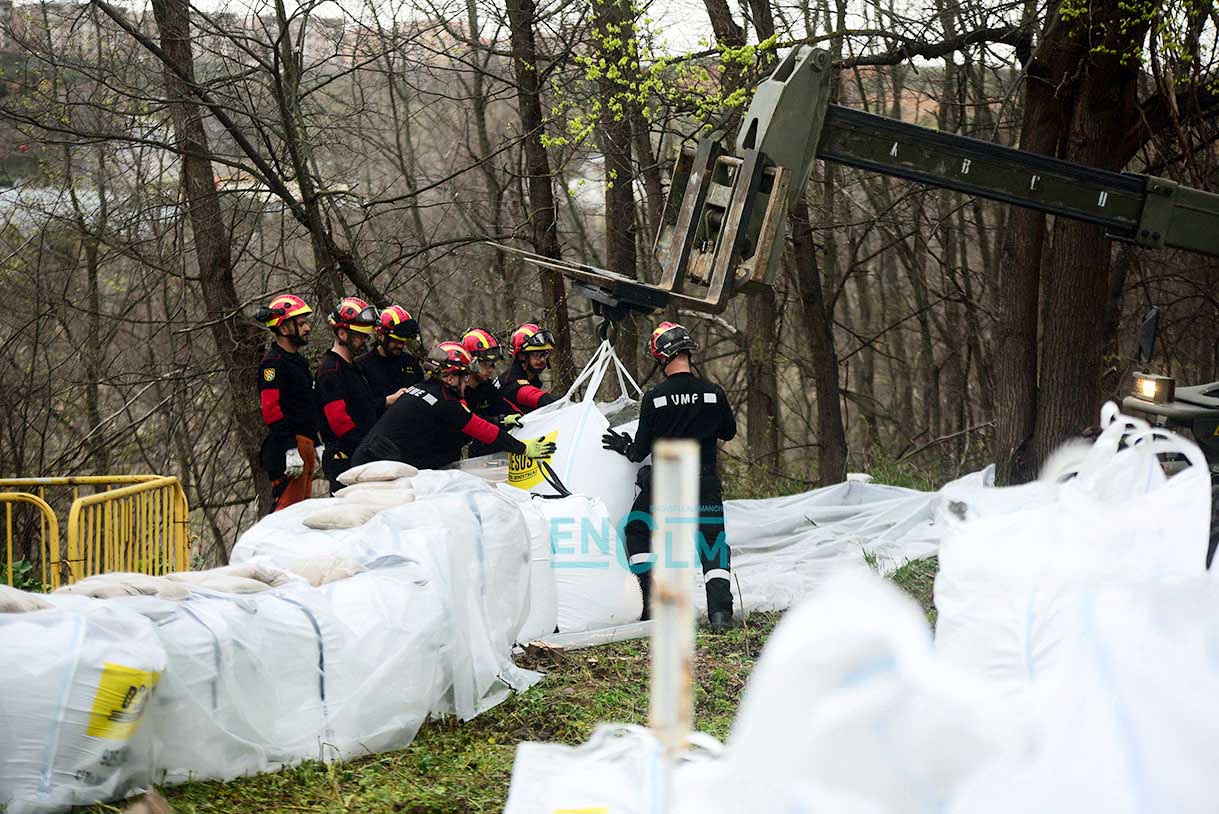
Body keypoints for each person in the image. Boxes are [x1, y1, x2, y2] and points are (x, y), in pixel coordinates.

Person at [601, 321, 737, 632]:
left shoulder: (655, 397)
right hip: (704, 481)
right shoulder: (713, 393)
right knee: (712, 544)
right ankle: (720, 615)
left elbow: (639, 452)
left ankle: (652, 603)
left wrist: (623, 445)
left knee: (637, 528)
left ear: (661, 357)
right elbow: (728, 432)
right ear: (688, 352)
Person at [351, 342, 555, 471]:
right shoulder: (445, 401)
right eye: (464, 376)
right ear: (449, 377)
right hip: (378, 465)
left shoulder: (421, 388)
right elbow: (481, 430)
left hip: (369, 457)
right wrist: (523, 448)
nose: (467, 382)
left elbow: (469, 422)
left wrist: (499, 420)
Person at [254, 294, 319, 513]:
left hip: (306, 444)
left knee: (301, 514)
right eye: (300, 324)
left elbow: (306, 406)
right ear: (283, 329)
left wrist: (317, 444)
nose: (307, 328)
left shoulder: (298, 362)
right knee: (285, 515)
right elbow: (271, 411)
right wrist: (290, 448)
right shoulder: (273, 364)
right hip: (290, 447)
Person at [316, 296, 380, 493]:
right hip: (345, 460)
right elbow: (339, 421)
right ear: (342, 333)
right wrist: (367, 447)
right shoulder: (330, 370)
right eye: (360, 336)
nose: (365, 341)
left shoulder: (354, 367)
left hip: (362, 455)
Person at [462, 329, 521, 456]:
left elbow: (506, 407)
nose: (491, 370)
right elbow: (468, 421)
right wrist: (498, 421)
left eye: (493, 365)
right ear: (472, 362)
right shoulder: (456, 391)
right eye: (487, 364)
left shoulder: (487, 387)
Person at [356, 305, 425, 415]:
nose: (400, 346)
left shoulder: (410, 362)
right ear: (381, 336)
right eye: (395, 341)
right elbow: (359, 407)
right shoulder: (362, 366)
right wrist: (388, 401)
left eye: (403, 342)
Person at [497, 322, 560, 414]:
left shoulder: (531, 378)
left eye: (545, 354)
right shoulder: (512, 382)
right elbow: (537, 398)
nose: (542, 359)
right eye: (538, 355)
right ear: (522, 355)